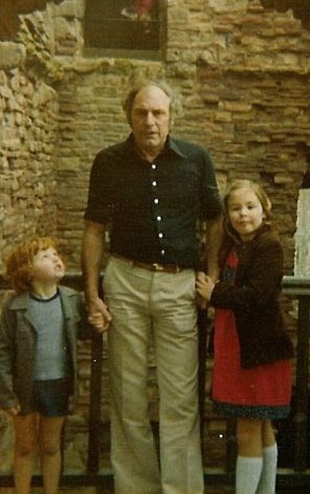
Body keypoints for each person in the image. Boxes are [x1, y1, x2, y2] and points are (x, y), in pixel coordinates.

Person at [82, 79, 223, 493]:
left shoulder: (196, 160)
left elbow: (215, 220)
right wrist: (92, 293)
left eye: (158, 113)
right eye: (142, 112)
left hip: (179, 286)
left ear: (170, 117)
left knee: (180, 398)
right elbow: (93, 230)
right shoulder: (108, 162)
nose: (150, 121)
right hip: (124, 280)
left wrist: (211, 277)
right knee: (128, 395)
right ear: (129, 116)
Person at [196, 179, 294, 494]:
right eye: (235, 209)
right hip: (239, 346)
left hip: (257, 350)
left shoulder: (268, 245)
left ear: (264, 209)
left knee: (249, 429)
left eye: (250, 207)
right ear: (227, 215)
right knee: (262, 425)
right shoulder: (234, 246)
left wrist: (215, 293)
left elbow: (259, 295)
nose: (243, 214)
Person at [0, 236, 102, 494]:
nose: (55, 258)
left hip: (57, 383)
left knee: (51, 446)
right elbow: (1, 352)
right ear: (27, 270)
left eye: (56, 254)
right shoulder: (16, 308)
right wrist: (6, 396)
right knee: (25, 445)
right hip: (25, 387)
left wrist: (97, 323)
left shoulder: (70, 299)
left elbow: (85, 331)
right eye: (45, 256)